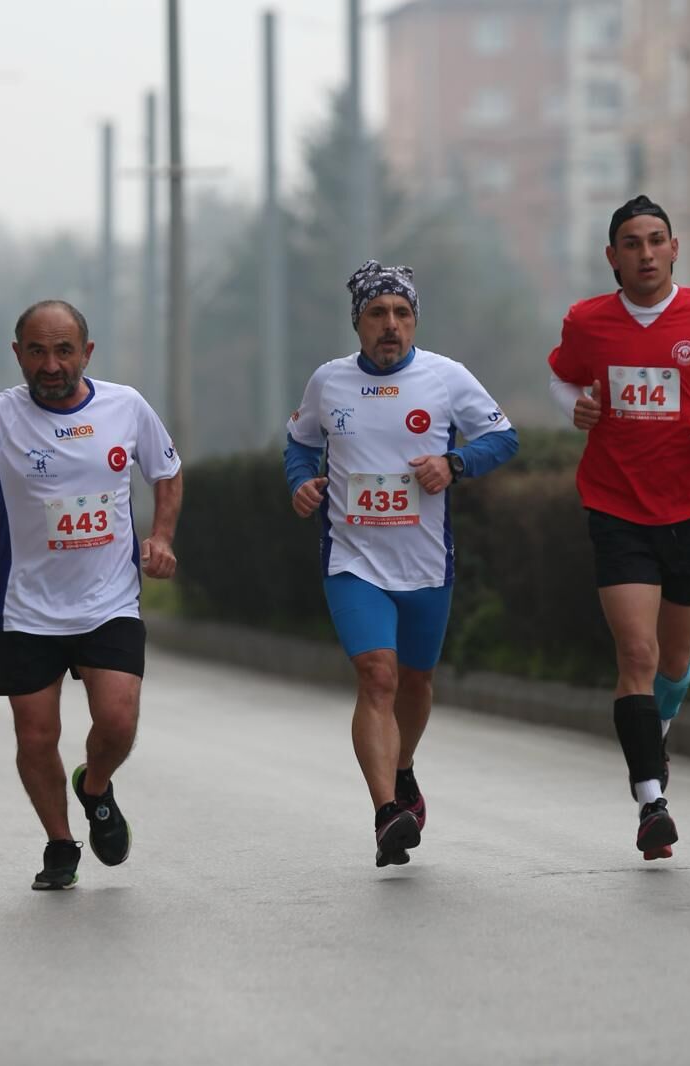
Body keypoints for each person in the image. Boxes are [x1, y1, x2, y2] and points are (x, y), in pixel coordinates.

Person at [0, 299, 183, 891]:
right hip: (27, 607)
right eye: (36, 351)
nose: (50, 363)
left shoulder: (126, 407)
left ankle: (94, 787)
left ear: (86, 353)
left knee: (116, 721)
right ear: (18, 355)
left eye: (64, 350)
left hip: (109, 600)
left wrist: (162, 535)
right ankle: (60, 844)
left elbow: (166, 470)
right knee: (35, 736)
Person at [546, 195, 690, 861]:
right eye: (631, 243)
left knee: (674, 662)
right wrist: (579, 407)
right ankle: (651, 802)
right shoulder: (588, 322)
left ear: (674, 248)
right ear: (612, 257)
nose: (644, 253)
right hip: (616, 505)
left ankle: (658, 734)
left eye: (656, 241)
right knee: (637, 657)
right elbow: (563, 378)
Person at [285, 261, 518, 868]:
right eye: (377, 314)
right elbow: (301, 442)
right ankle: (388, 810)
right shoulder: (328, 383)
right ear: (357, 323)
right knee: (377, 676)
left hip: (424, 563)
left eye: (402, 314)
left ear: (414, 321)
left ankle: (404, 766)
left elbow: (503, 437)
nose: (391, 326)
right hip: (352, 560)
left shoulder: (446, 378)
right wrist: (300, 483)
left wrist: (457, 465)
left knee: (415, 680)